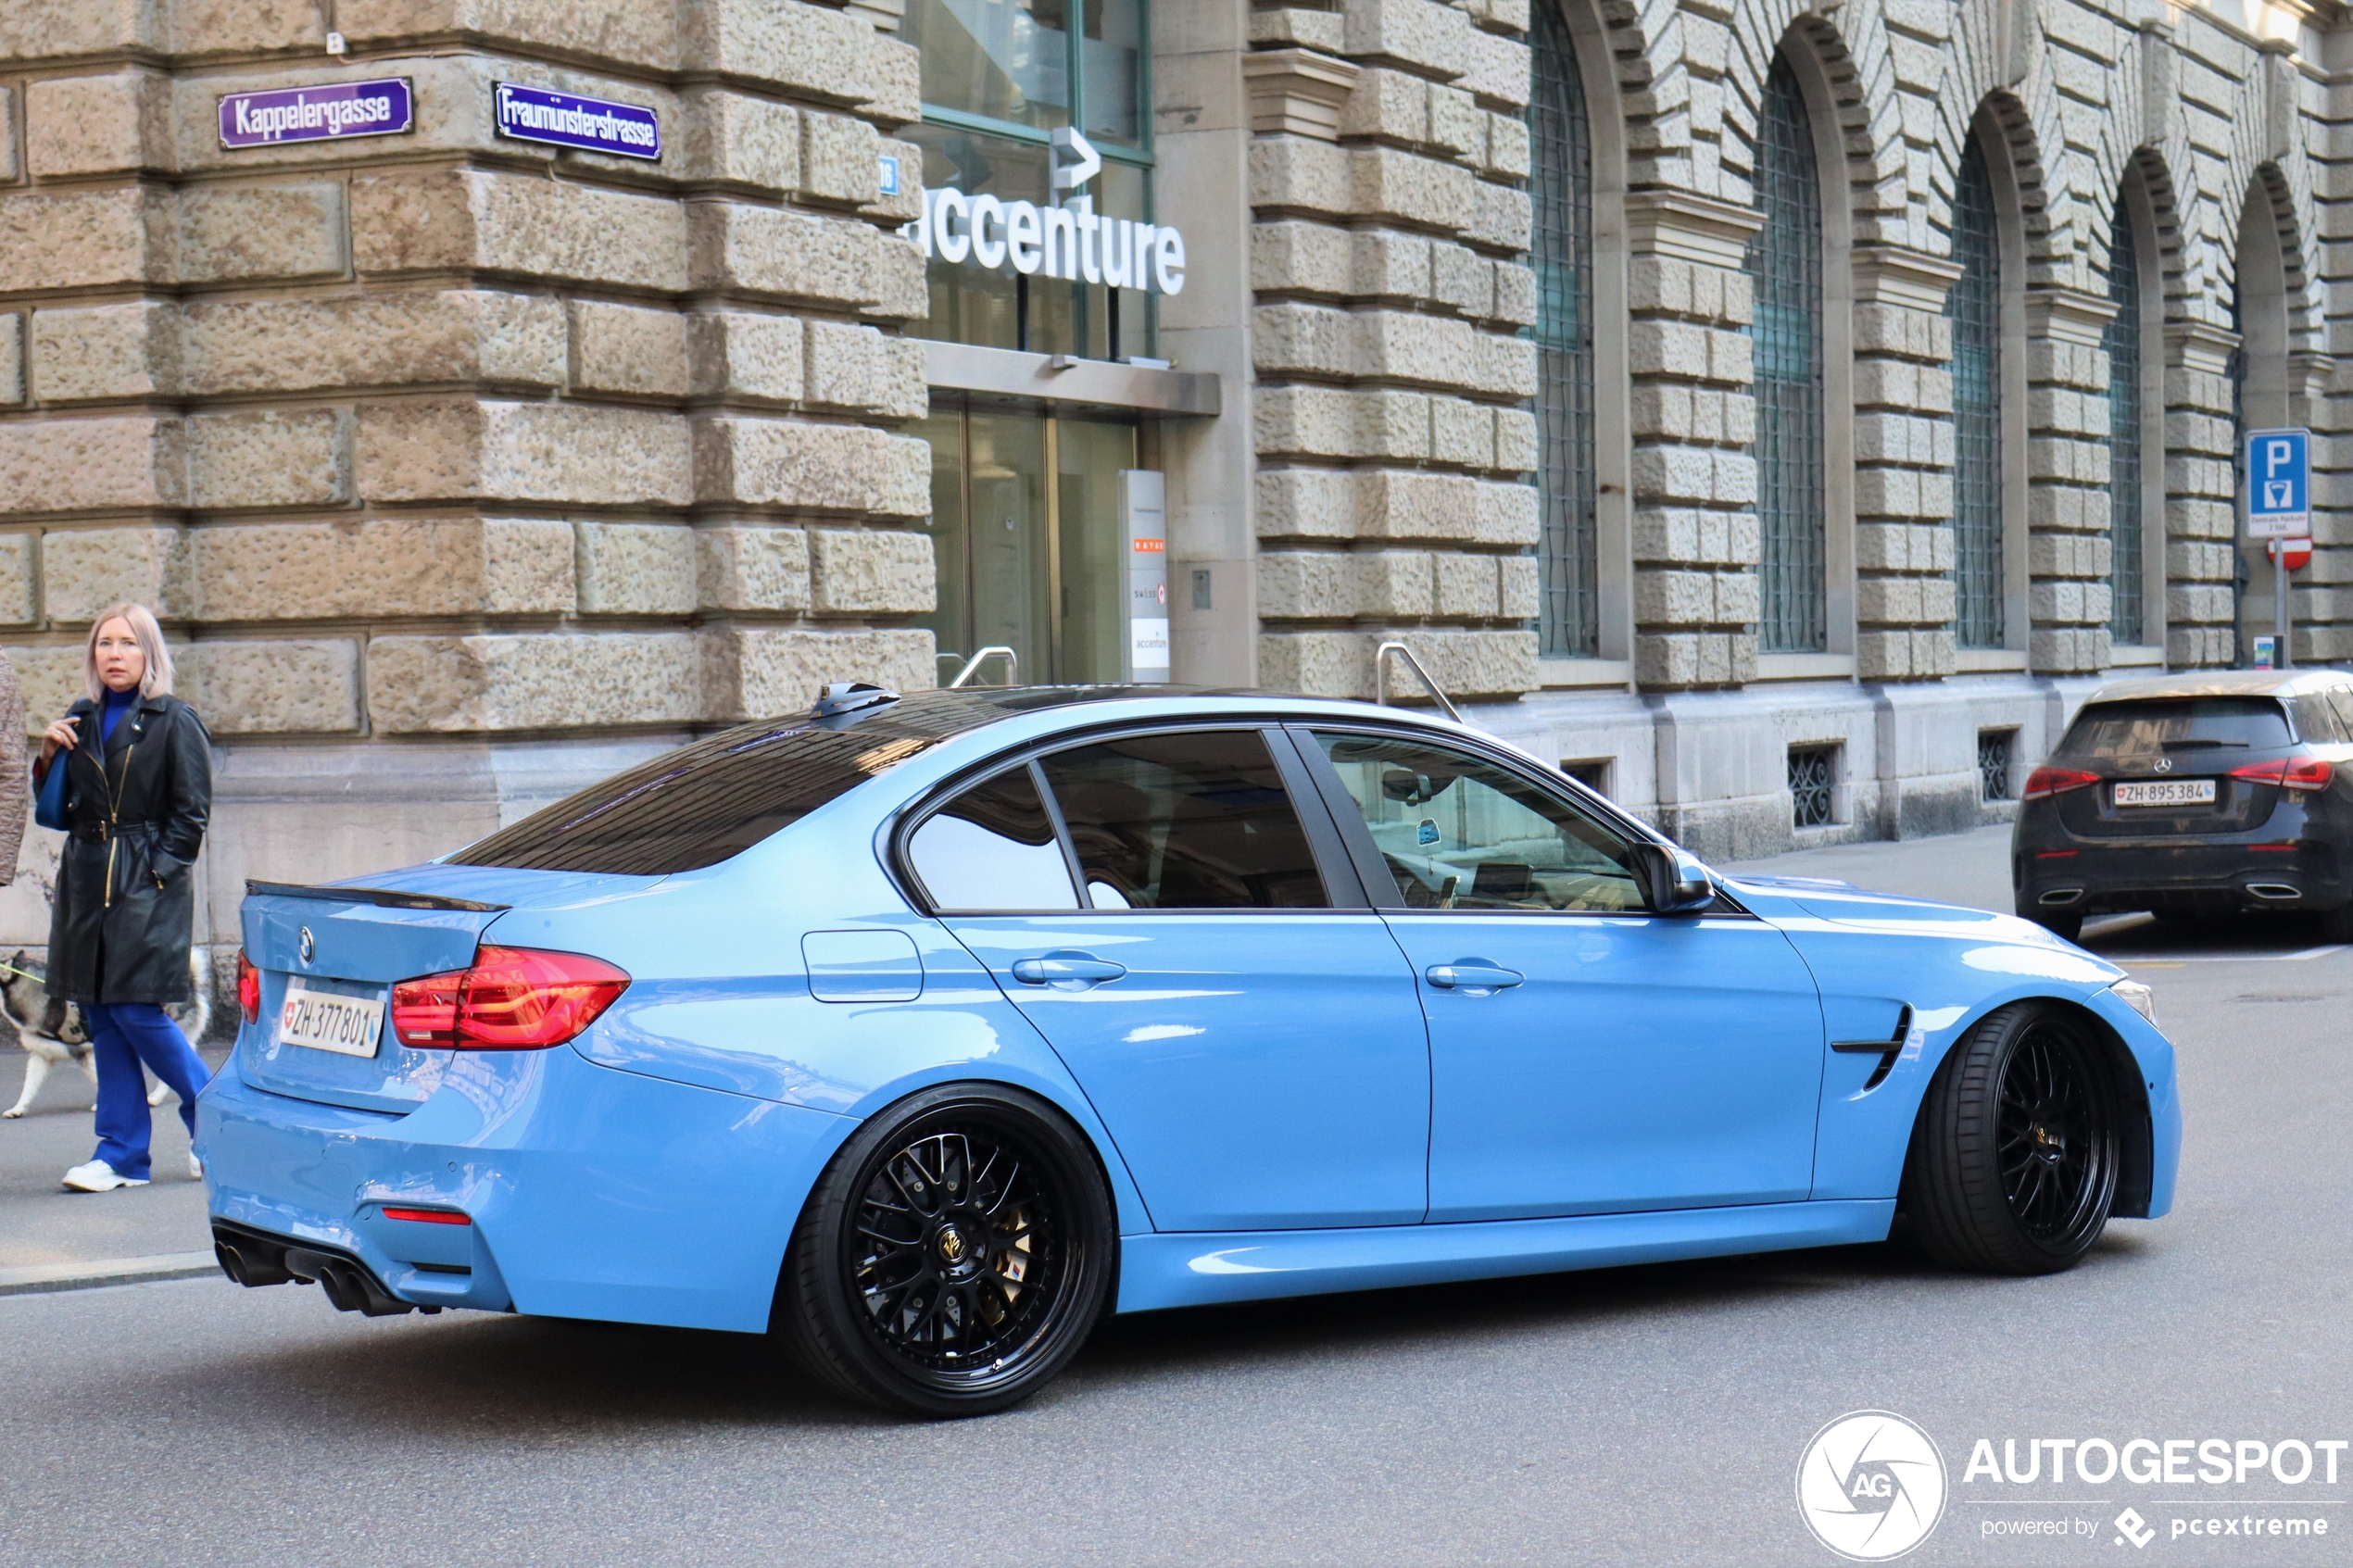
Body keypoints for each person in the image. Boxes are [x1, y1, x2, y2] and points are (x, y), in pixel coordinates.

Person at [33, 605, 214, 1192]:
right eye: (104, 643)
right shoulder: (79, 719)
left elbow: (190, 815)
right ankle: (120, 1155)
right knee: (103, 1014)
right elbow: (57, 813)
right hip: (86, 880)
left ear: (148, 654)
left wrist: (157, 874)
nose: (114, 654)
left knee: (137, 1008)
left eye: (128, 644)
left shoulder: (173, 719)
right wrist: (48, 758)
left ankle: (216, 1119)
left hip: (145, 880)